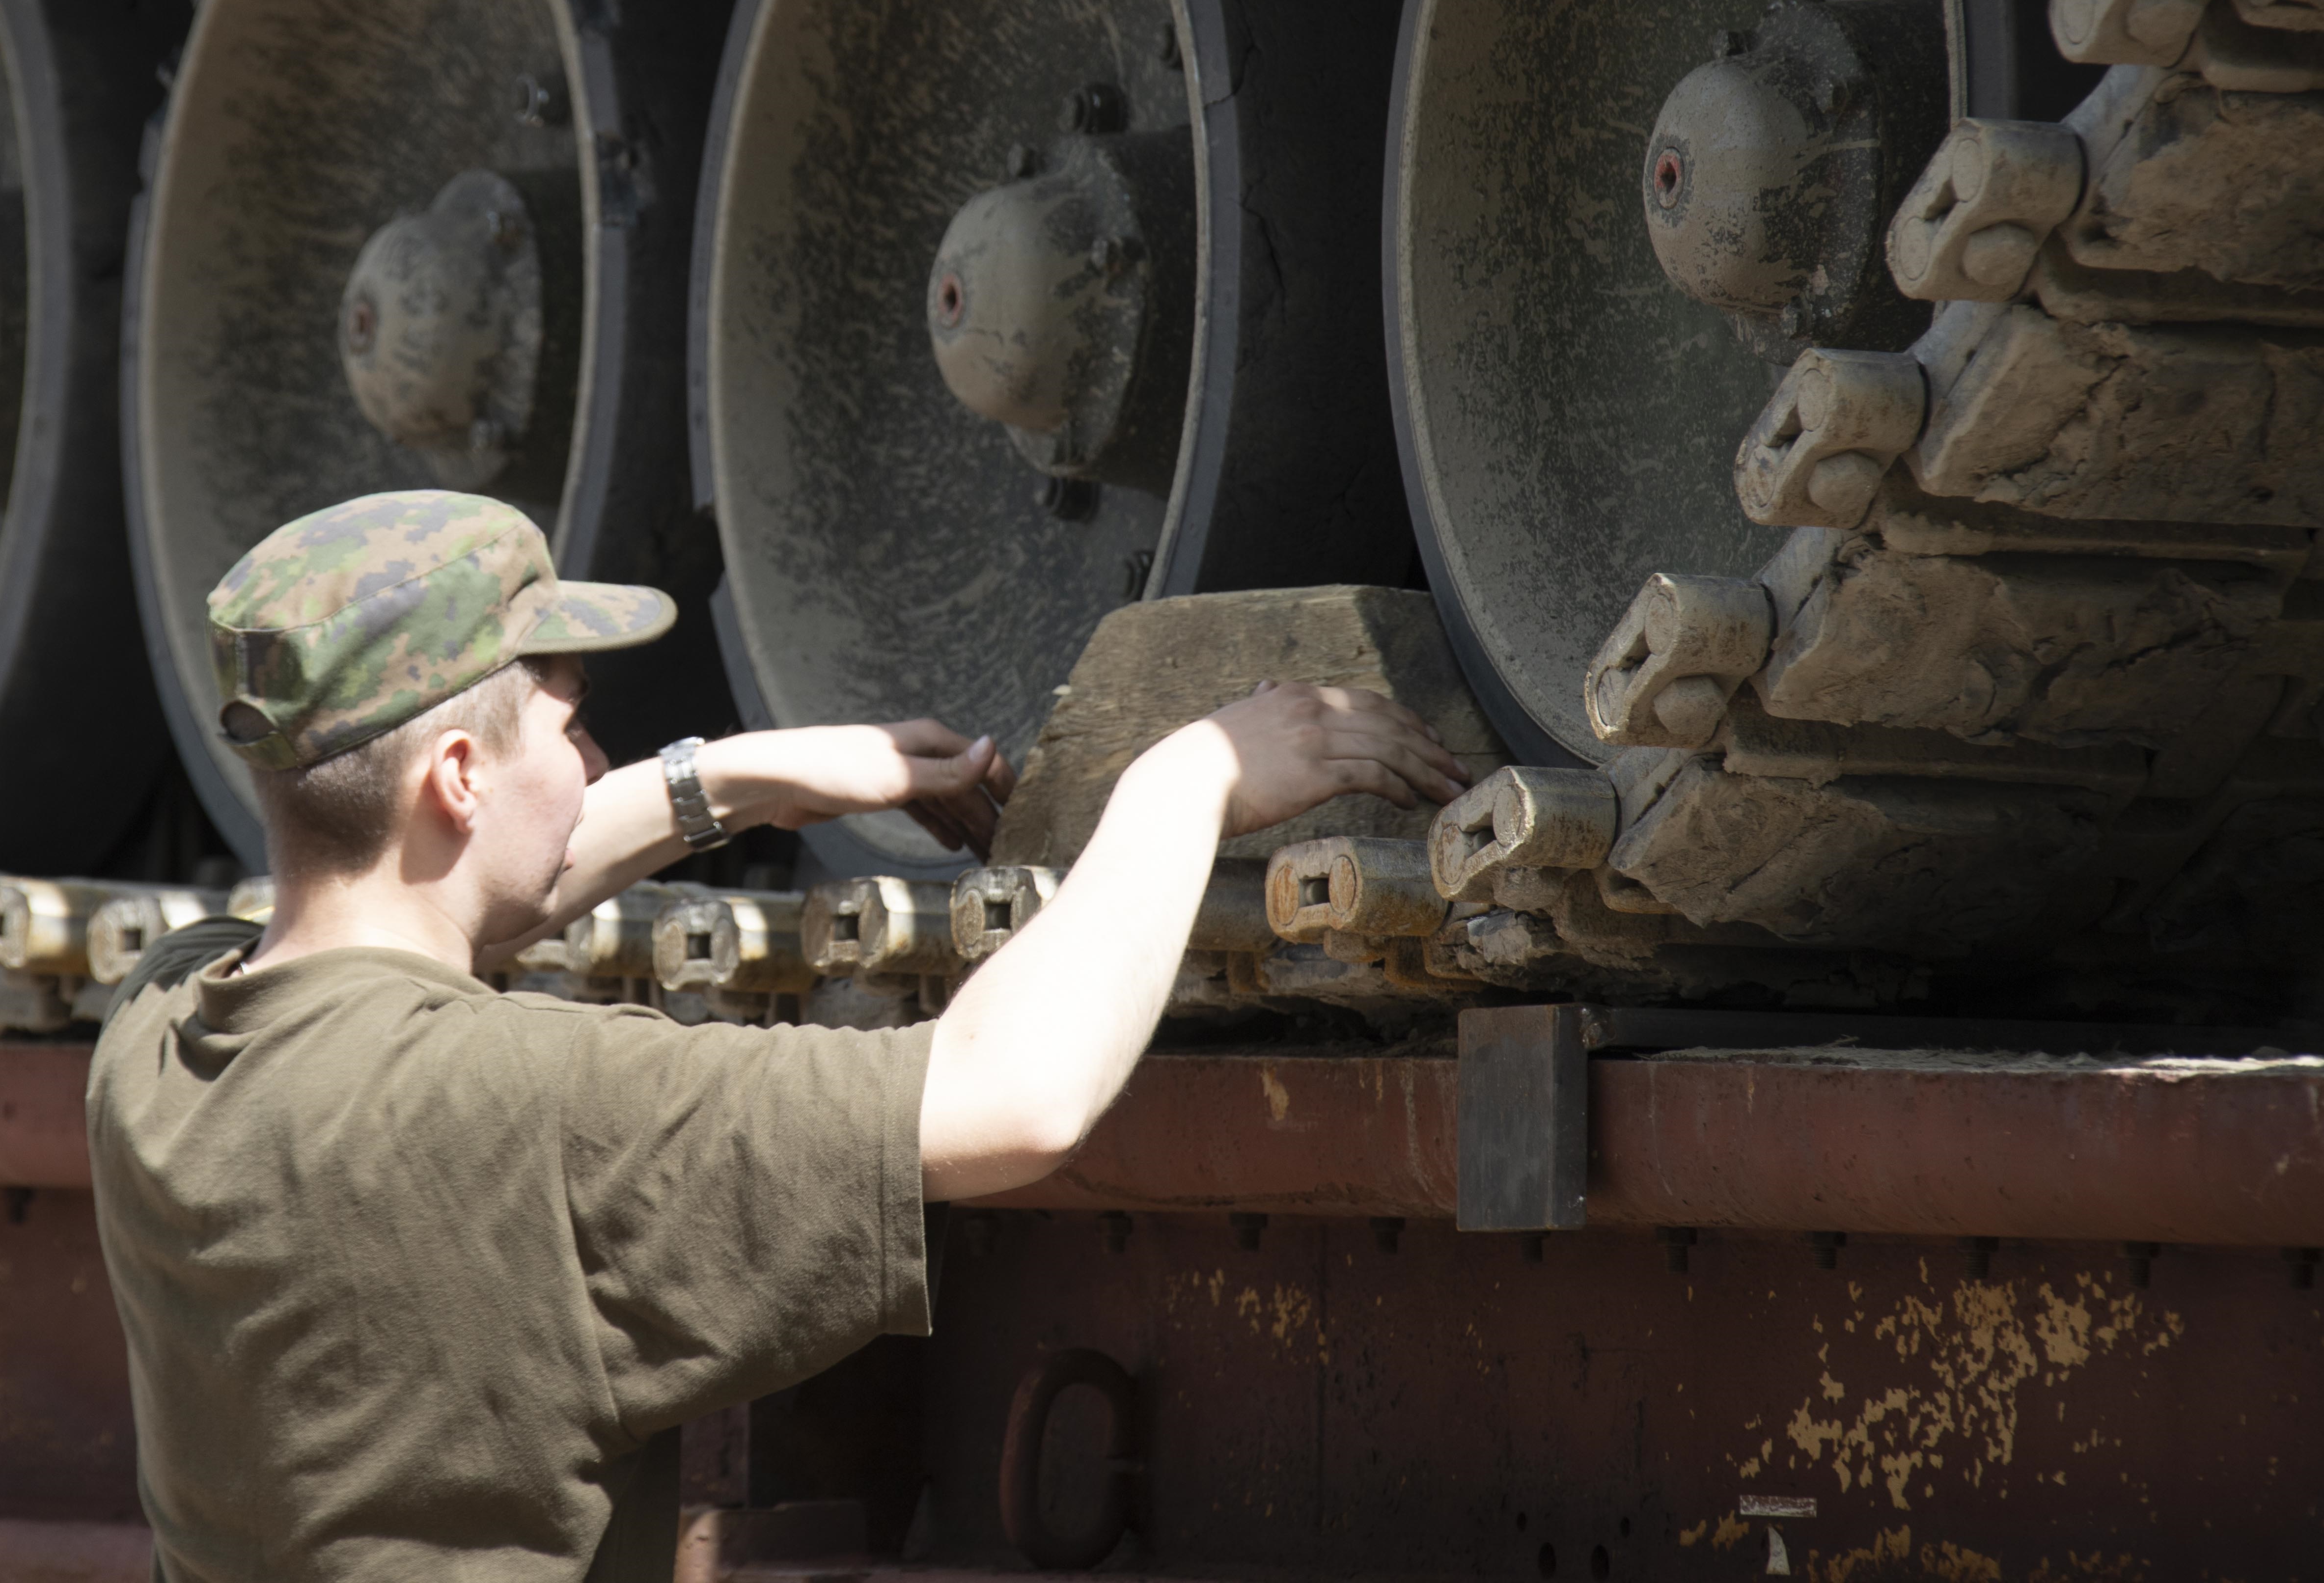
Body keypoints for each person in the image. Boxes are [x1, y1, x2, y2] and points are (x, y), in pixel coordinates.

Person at [87, 490, 1466, 1582]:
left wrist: (728, 783)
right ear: (456, 778)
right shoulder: (539, 1112)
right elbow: (1014, 1096)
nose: (589, 765)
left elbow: (416, 902)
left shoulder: (158, 1040)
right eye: (572, 727)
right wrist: (1190, 779)